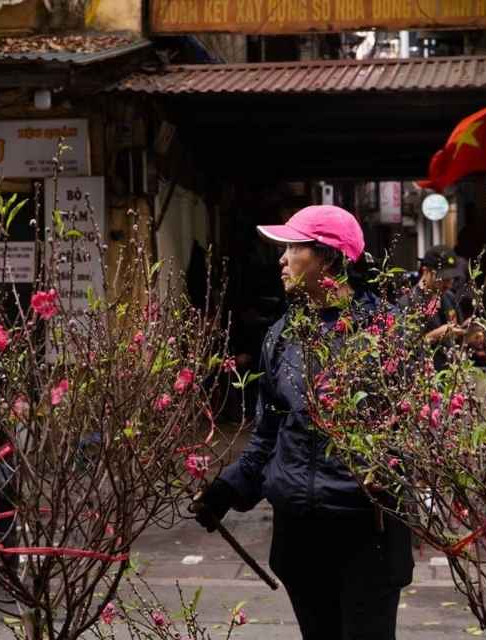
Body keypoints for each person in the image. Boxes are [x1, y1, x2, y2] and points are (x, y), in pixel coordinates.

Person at [193, 205, 414, 640]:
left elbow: (415, 434)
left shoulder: (384, 337)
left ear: (328, 258)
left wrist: (388, 470)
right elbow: (268, 437)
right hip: (298, 533)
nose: (281, 258)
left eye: (293, 247)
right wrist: (227, 489)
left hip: (365, 534)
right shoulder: (282, 336)